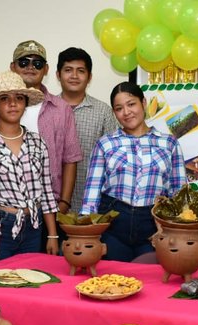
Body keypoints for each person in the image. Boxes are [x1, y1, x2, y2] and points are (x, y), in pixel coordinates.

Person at [81, 81, 187, 262]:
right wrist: (86, 234)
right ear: (114, 113)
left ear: (143, 103)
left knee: (151, 280)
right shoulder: (105, 144)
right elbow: (92, 194)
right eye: (119, 108)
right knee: (113, 281)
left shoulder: (169, 143)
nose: (126, 112)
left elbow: (179, 194)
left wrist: (179, 230)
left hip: (153, 227)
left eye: (131, 104)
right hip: (113, 226)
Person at [0, 40, 81, 216]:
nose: (30, 67)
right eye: (24, 62)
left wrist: (64, 203)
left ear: (46, 69)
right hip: (0, 209)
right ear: (13, 66)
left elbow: (70, 158)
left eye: (37, 63)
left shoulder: (61, 109)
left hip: (49, 206)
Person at [0, 71, 59, 258]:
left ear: (25, 103)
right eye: (4, 99)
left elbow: (47, 191)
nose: (13, 104)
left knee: (30, 280)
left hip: (34, 226)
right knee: (0, 281)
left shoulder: (38, 142)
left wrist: (52, 234)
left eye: (19, 98)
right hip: (0, 226)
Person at [56, 47, 119, 213]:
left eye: (81, 71)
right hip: (51, 206)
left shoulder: (103, 111)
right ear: (58, 75)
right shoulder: (47, 109)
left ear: (89, 77)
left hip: (92, 205)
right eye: (68, 70)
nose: (74, 76)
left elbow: (114, 157)